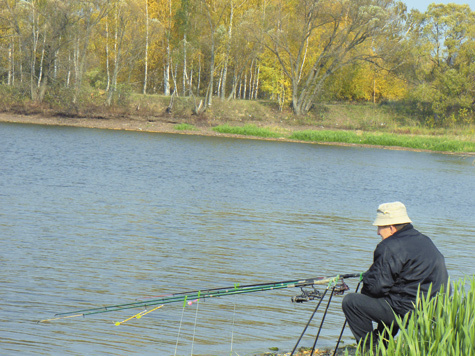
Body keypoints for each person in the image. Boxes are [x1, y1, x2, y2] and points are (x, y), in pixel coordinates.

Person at [342, 201, 449, 348]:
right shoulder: (425, 240)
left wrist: (368, 280)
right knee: (391, 298)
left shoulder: (389, 247)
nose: (378, 232)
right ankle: (383, 345)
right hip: (434, 310)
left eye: (380, 227)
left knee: (352, 302)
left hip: (409, 312)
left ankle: (370, 351)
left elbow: (375, 289)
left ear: (391, 227)